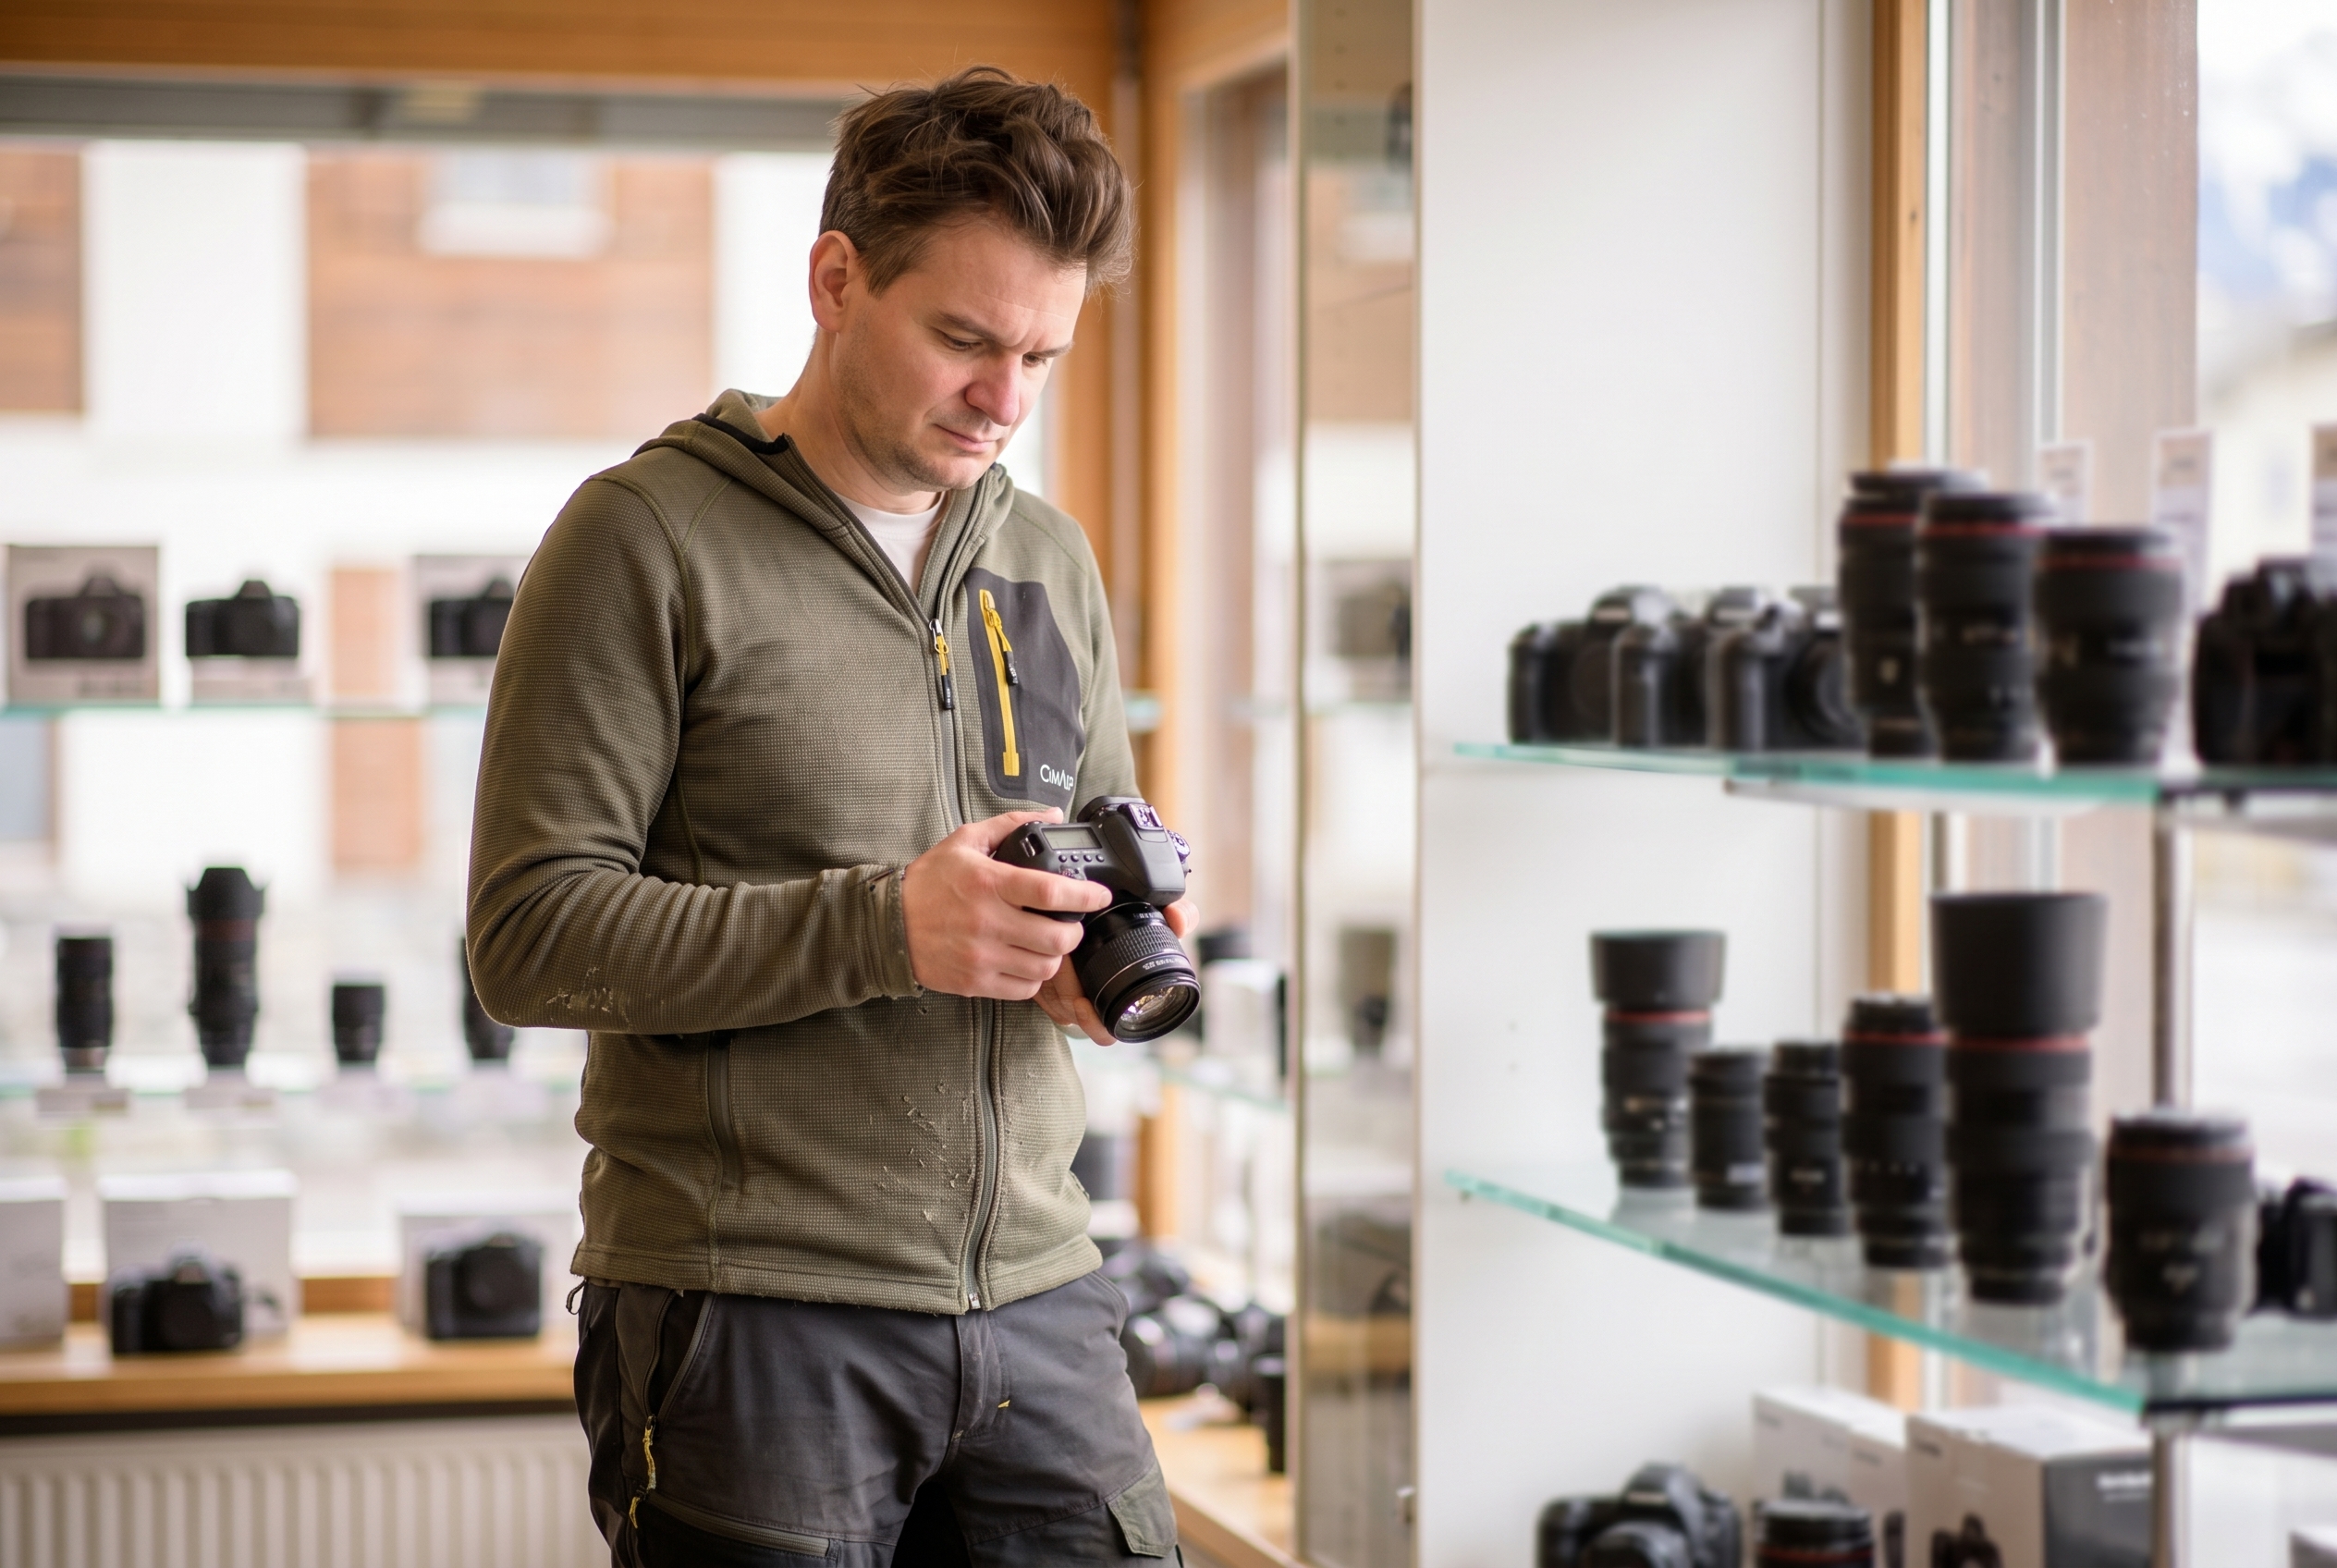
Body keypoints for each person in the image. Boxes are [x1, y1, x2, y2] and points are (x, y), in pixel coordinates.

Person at [465, 65, 1188, 1568]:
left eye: (1044, 356)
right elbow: (529, 943)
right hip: (750, 1314)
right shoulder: (642, 540)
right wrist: (884, 927)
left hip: (1042, 1295)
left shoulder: (1047, 559)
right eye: (966, 340)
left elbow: (1091, 860)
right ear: (836, 279)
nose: (1006, 400)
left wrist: (1089, 962)